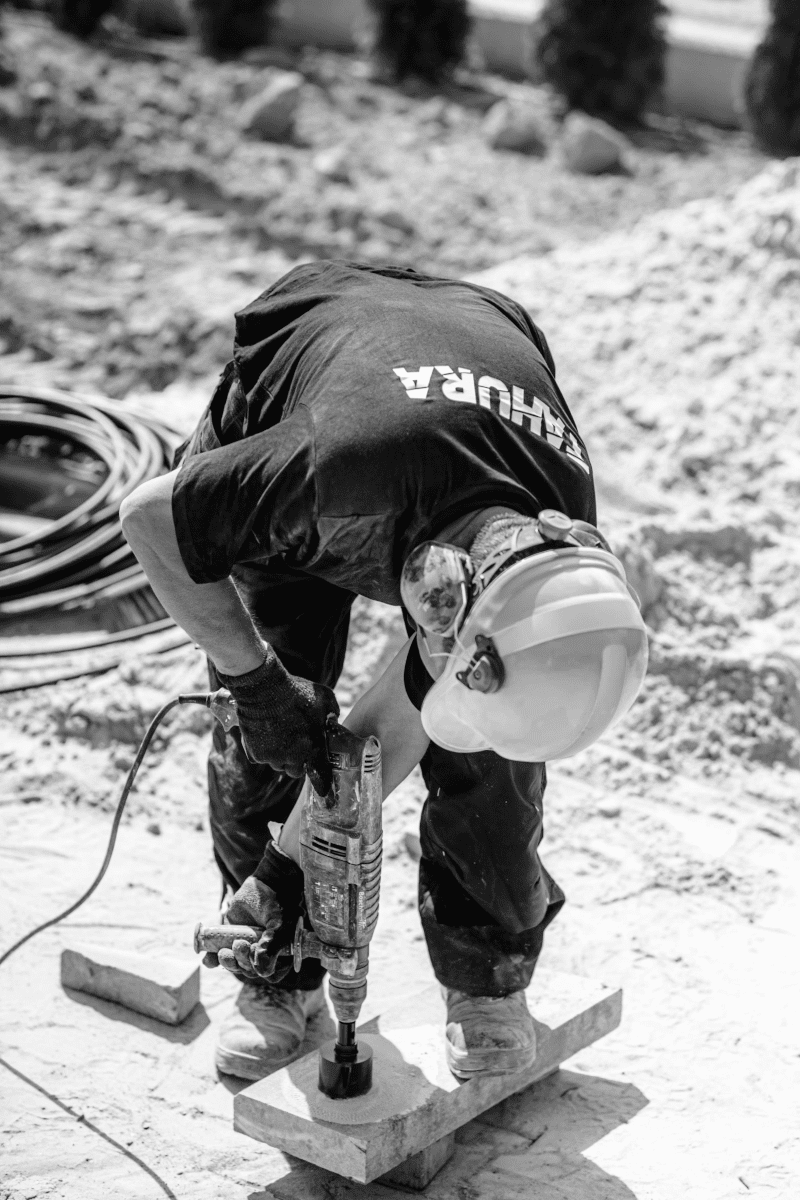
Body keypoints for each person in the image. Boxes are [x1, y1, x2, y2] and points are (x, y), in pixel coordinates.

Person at [120, 261, 647, 1082]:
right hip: (318, 401)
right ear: (445, 593)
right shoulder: (331, 465)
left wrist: (296, 858)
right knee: (267, 720)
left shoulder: (556, 539)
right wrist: (255, 682)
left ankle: (487, 978)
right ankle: (274, 971)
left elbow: (397, 720)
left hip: (464, 355)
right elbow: (147, 519)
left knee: (500, 742)